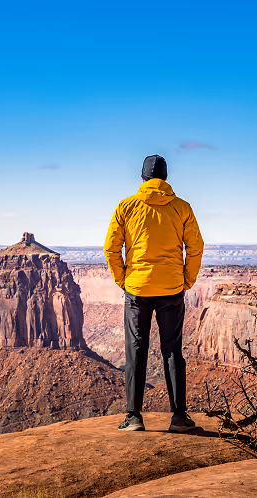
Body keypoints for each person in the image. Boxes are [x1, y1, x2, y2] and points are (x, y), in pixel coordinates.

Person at [104, 154, 204, 432]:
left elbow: (111, 248)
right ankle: (179, 417)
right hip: (172, 288)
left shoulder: (126, 206)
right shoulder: (182, 207)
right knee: (172, 349)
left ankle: (134, 417)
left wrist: (122, 280)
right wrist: (187, 280)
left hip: (137, 289)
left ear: (143, 177)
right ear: (165, 178)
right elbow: (195, 247)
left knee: (136, 349)